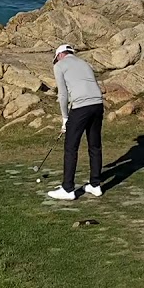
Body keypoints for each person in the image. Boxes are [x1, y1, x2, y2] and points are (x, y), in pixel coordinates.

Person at [48, 43, 105, 201]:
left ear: (60, 55)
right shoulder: (84, 63)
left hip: (81, 107)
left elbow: (63, 95)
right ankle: (95, 185)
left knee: (71, 147)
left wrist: (65, 118)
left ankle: (68, 189)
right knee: (94, 145)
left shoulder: (60, 65)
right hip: (98, 105)